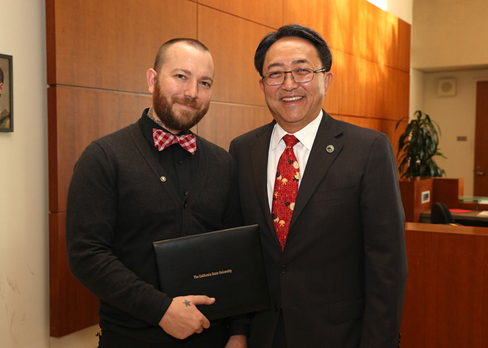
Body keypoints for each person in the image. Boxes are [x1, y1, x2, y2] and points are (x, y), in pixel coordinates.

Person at [229, 24, 407, 347]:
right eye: (276, 74)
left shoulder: (368, 149)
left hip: (339, 337)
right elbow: (240, 253)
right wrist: (237, 331)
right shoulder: (242, 150)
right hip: (263, 335)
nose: (289, 85)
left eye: (302, 71)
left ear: (327, 79)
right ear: (262, 84)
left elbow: (387, 266)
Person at [66, 39, 247, 348]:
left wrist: (239, 332)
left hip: (214, 339)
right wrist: (161, 310)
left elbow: (239, 252)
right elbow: (87, 255)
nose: (192, 92)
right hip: (130, 339)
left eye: (204, 83)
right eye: (181, 76)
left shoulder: (223, 163)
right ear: (152, 79)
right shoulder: (103, 157)